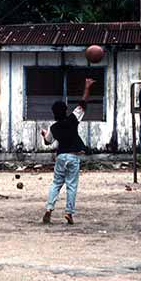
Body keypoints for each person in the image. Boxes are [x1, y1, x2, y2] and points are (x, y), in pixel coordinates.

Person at [41, 77, 95, 225]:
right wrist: (87, 87)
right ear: (65, 111)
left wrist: (44, 134)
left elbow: (48, 142)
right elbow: (82, 104)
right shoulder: (72, 119)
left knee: (56, 184)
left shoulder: (53, 127)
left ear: (54, 114)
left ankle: (49, 209)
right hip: (73, 157)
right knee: (71, 185)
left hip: (60, 157)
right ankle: (68, 213)